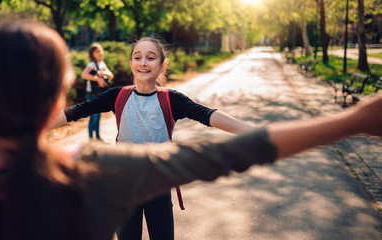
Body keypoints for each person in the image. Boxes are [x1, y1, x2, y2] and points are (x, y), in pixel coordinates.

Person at [0, 20, 381, 240]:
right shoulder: (102, 171)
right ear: (60, 93)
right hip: (146, 182)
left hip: (157, 195)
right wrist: (355, 120)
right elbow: (233, 153)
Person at [52, 36, 255, 240]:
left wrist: (253, 132)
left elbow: (208, 115)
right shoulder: (118, 96)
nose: (143, 63)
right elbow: (74, 112)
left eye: (151, 58)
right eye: (137, 57)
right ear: (131, 63)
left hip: (158, 183)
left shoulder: (171, 99)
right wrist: (32, 127)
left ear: (162, 65)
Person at [81, 43, 114, 141]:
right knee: (93, 117)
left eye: (101, 50)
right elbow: (84, 75)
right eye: (97, 51)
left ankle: (98, 137)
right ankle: (91, 140)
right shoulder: (91, 64)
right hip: (91, 95)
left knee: (98, 117)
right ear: (92, 54)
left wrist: (103, 73)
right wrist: (97, 79)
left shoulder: (101, 64)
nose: (100, 53)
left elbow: (111, 75)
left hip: (99, 93)